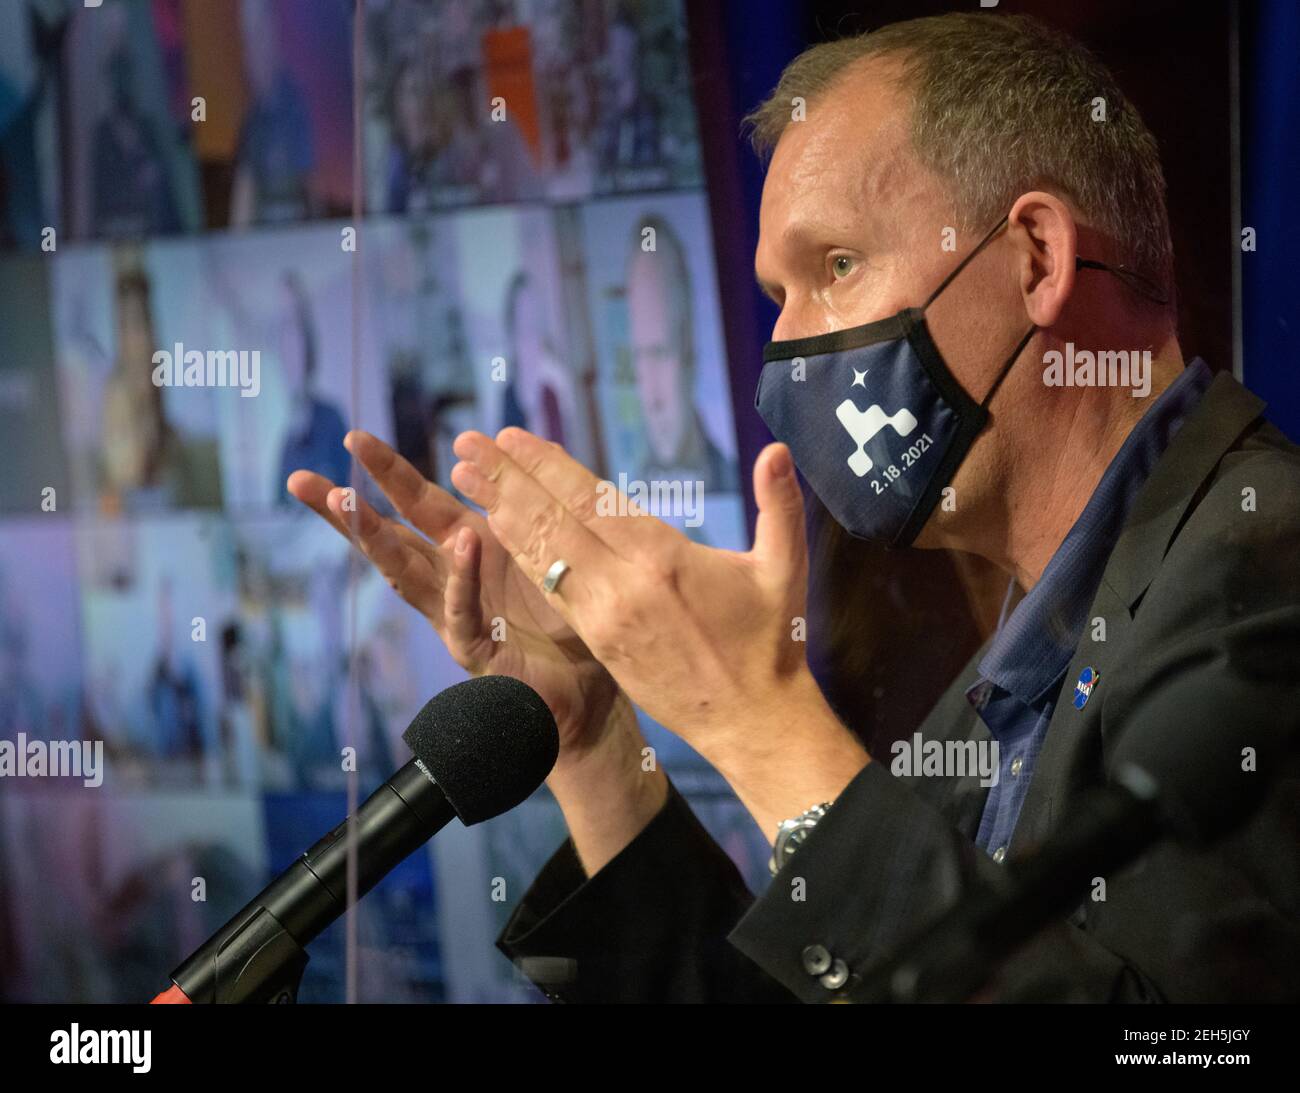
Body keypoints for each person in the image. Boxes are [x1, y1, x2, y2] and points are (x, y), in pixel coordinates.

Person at [290, 13, 1300, 1002]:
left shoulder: (1264, 581)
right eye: (778, 293)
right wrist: (593, 737)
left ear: (1034, 255)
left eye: (836, 268)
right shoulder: (1024, 661)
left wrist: (760, 718)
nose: (786, 351)